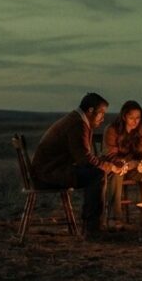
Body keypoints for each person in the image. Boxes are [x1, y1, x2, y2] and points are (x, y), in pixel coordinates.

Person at [30, 92, 115, 237]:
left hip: (50, 171)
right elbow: (84, 159)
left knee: (97, 172)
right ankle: (93, 228)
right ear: (90, 111)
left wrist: (105, 163)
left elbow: (83, 156)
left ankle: (95, 223)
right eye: (101, 113)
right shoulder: (77, 124)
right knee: (97, 175)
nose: (103, 118)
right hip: (49, 175)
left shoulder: (76, 120)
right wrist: (109, 167)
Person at [103, 100, 142, 229]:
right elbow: (111, 156)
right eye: (131, 118)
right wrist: (125, 164)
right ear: (124, 117)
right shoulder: (112, 130)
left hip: (134, 167)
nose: (135, 121)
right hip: (116, 166)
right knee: (117, 174)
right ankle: (115, 219)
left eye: (138, 118)